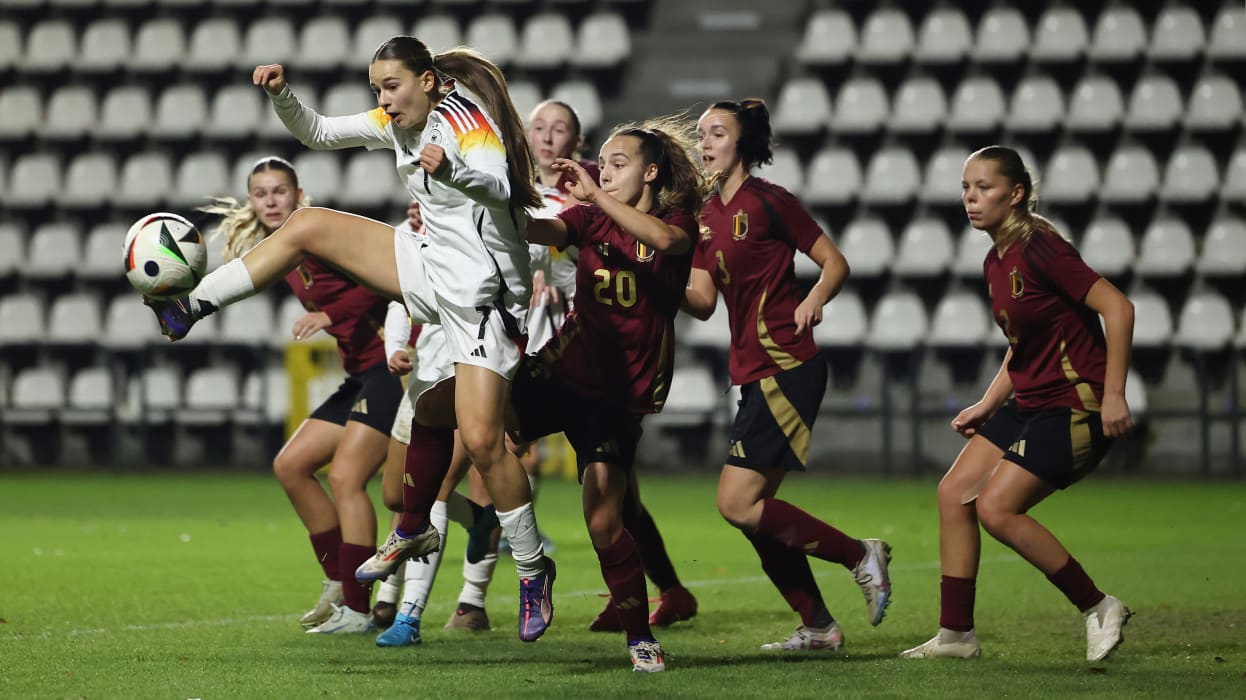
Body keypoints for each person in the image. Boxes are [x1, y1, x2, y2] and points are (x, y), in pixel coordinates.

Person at [144, 37, 557, 642]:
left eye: (391, 87)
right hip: (428, 268)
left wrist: (455, 168)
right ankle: (191, 303)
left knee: (482, 442)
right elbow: (316, 133)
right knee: (307, 224)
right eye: (376, 90)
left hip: (485, 301)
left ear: (429, 81)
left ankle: (531, 569)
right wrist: (283, 96)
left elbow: (501, 189)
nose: (382, 101)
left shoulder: (470, 126)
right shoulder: (398, 119)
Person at [901, 146, 1136, 663]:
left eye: (983, 187)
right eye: (966, 187)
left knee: (997, 508)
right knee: (954, 494)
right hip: (1030, 401)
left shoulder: (1042, 248)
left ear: (1017, 193)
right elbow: (1025, 343)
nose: (970, 197)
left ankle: (1099, 606)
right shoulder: (996, 258)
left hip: (1074, 405)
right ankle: (956, 636)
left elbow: (1118, 308)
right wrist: (988, 403)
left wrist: (1114, 393)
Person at [684, 99, 892, 653]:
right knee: (758, 517)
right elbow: (702, 301)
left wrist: (816, 298)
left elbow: (835, 262)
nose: (705, 142)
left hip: (788, 364)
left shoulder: (771, 201)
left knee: (736, 504)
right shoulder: (705, 214)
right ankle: (819, 627)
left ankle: (858, 555)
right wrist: (651, 276)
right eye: (701, 133)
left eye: (718, 133)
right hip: (753, 371)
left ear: (743, 143)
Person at [514, 116, 709, 672]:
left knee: (605, 522)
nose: (604, 169)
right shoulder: (590, 217)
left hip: (617, 394)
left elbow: (667, 242)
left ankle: (639, 637)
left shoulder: (676, 223)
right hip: (564, 369)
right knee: (472, 425)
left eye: (618, 162)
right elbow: (545, 231)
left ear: (650, 172)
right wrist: (485, 205)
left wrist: (596, 194)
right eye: (603, 161)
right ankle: (521, 565)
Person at [199, 156, 402, 634]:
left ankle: (358, 609)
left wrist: (330, 316)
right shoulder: (283, 250)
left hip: (392, 369)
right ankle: (337, 584)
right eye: (261, 193)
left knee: (348, 478)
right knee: (290, 466)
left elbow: (385, 280)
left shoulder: (319, 236)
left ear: (299, 195)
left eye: (279, 191)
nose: (271, 200)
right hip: (360, 374)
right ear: (252, 201)